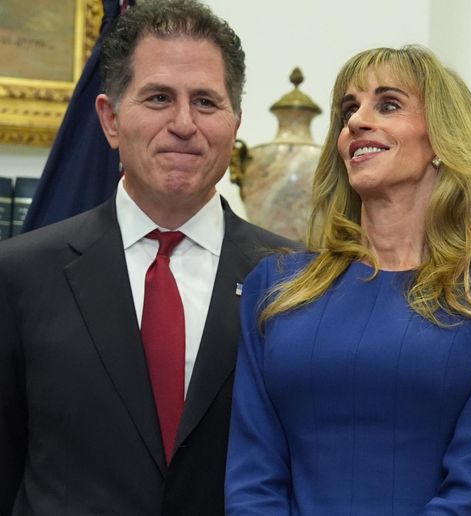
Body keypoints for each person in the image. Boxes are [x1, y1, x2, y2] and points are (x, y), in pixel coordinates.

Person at [0, 0, 291, 513]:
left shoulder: (293, 279)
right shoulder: (20, 275)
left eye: (205, 102)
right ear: (110, 120)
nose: (183, 123)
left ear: (236, 122)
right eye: (158, 97)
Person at [225, 45, 471, 515]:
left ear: (441, 140)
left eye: (387, 104)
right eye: (349, 109)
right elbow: (252, 476)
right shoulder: (274, 287)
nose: (356, 121)